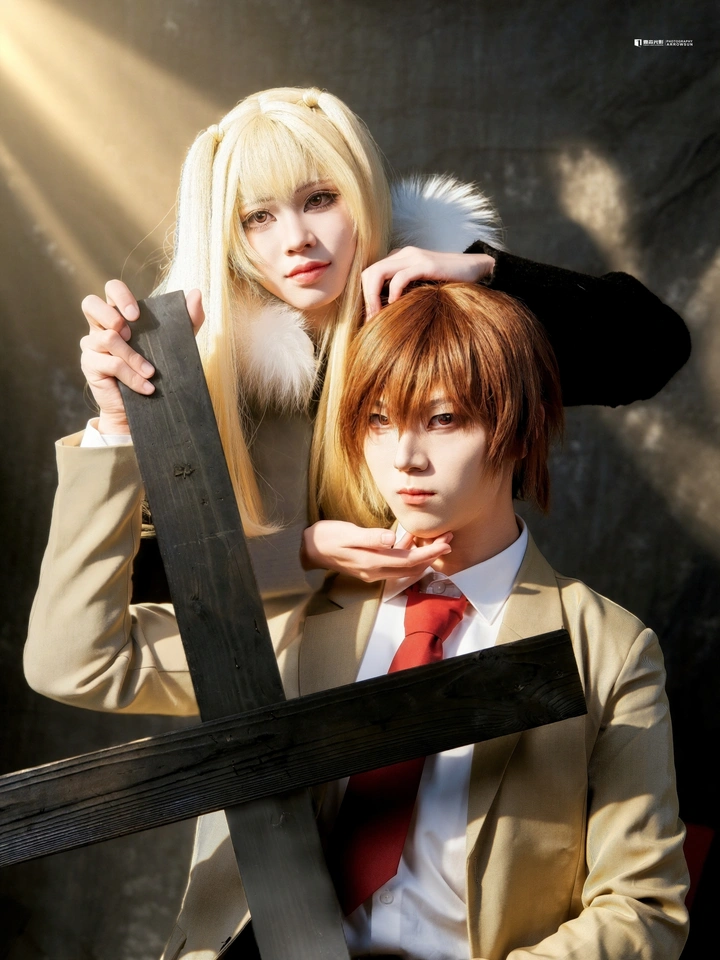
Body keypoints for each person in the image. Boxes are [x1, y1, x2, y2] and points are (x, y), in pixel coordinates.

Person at [25, 282, 689, 960]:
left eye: (443, 419)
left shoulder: (605, 647)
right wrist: (116, 426)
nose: (404, 457)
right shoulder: (306, 607)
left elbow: (643, 907)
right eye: (378, 420)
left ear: (521, 427)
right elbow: (78, 661)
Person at [68, 85, 691, 603]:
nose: (296, 238)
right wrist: (302, 552)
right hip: (293, 685)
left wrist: (488, 271)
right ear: (229, 236)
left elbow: (652, 350)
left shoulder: (438, 317)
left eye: (319, 199)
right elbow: (136, 595)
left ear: (361, 191)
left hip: (466, 642)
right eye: (258, 217)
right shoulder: (203, 364)